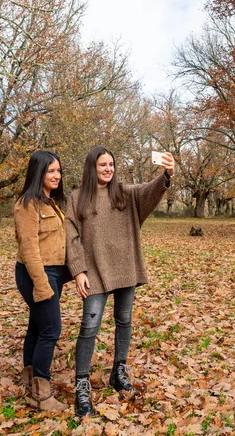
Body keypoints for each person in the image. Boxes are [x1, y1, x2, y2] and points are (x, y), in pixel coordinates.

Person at [66, 146, 175, 418]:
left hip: (125, 268)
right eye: (102, 165)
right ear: (92, 168)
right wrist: (78, 270)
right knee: (89, 326)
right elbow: (70, 236)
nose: (108, 169)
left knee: (124, 320)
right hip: (95, 273)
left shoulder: (125, 193)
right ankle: (82, 383)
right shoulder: (78, 198)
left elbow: (150, 190)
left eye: (111, 164)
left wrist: (167, 175)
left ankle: (119, 371)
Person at [13, 150, 69, 411]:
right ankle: (41, 395)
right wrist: (42, 283)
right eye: (50, 171)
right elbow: (29, 248)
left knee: (37, 327)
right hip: (35, 273)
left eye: (58, 170)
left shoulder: (51, 202)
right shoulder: (27, 204)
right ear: (38, 173)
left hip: (53, 273)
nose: (56, 175)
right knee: (51, 330)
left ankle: (28, 377)